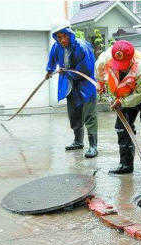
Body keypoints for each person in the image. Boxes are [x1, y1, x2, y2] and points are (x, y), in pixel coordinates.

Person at [95, 40, 141, 185]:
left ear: (131, 59)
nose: (120, 68)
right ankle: (126, 165)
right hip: (125, 92)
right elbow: (99, 70)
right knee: (122, 128)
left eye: (124, 65)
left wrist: (122, 102)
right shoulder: (105, 58)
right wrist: (101, 83)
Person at [45, 24, 98, 158]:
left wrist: (69, 72)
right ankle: (78, 141)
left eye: (64, 36)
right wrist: (49, 71)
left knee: (89, 116)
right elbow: (52, 60)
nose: (62, 40)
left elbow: (87, 68)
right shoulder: (57, 47)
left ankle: (93, 146)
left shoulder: (81, 47)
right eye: (59, 37)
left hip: (85, 85)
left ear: (70, 34)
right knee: (74, 114)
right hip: (70, 85)